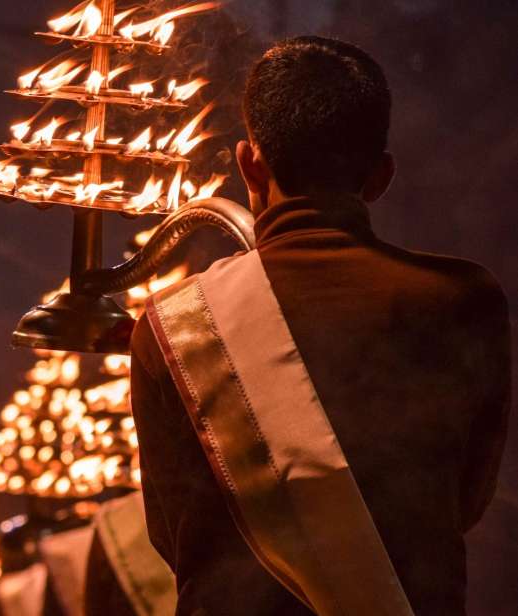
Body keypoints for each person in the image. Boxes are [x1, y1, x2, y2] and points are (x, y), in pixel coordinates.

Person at [130, 36, 510, 615]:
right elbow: (467, 500)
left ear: (249, 166)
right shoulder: (464, 302)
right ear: (381, 176)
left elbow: (169, 534)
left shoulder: (171, 324)